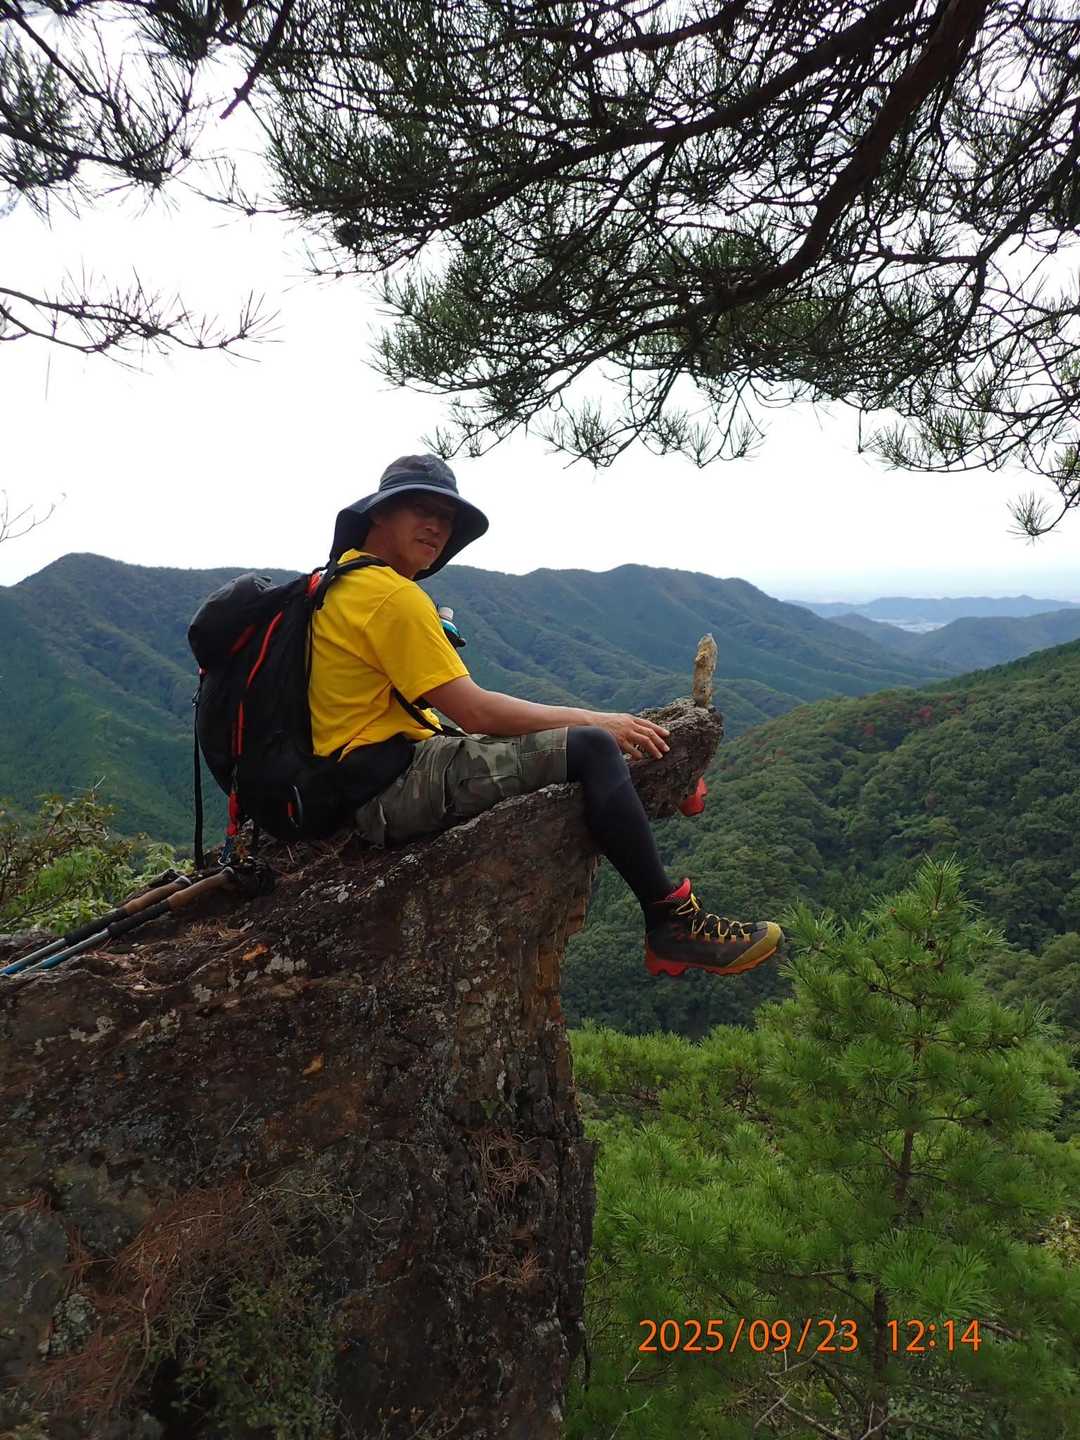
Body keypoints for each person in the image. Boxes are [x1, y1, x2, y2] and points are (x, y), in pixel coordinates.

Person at [309, 454, 783, 978]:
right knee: (592, 746)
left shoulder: (338, 581)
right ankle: (670, 925)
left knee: (562, 737)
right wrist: (598, 721)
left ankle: (667, 781)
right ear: (380, 513)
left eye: (447, 518)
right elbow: (476, 710)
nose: (437, 527)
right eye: (422, 509)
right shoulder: (392, 597)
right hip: (387, 787)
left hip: (360, 772)